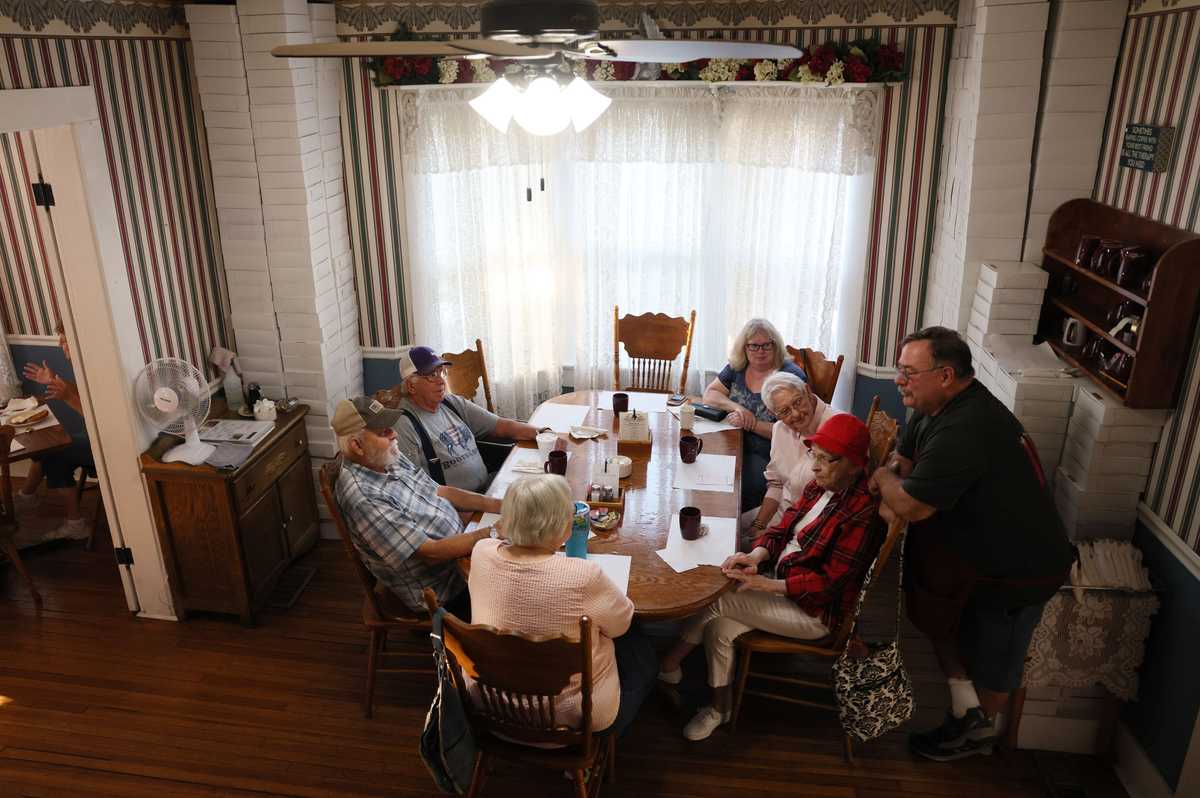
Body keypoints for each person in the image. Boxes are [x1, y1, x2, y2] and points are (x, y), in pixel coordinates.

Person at [869, 326, 1074, 762]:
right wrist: (895, 481)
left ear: (945, 375)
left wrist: (885, 480)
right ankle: (965, 710)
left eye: (908, 372)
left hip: (1021, 568)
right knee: (948, 630)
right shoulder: (929, 405)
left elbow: (910, 503)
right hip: (973, 554)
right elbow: (903, 460)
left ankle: (976, 732)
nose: (898, 381)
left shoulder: (967, 426)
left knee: (994, 658)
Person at [658, 414, 883, 741]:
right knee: (720, 628)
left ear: (852, 464)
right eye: (813, 455)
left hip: (814, 612)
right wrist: (756, 556)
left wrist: (768, 584)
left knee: (719, 595)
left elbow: (829, 584)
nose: (815, 466)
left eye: (824, 458)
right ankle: (720, 708)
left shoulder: (862, 512)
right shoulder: (819, 485)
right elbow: (781, 527)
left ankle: (667, 666)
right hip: (782, 582)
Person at [467, 474, 657, 738]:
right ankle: (598, 746)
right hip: (568, 716)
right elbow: (621, 625)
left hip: (491, 702)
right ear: (564, 526)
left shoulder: (481, 551)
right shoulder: (583, 575)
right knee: (642, 655)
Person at [332, 395, 502, 615]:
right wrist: (496, 531)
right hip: (446, 589)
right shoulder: (364, 497)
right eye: (383, 431)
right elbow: (431, 553)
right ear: (357, 445)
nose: (394, 434)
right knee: (530, 589)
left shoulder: (383, 456)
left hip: (463, 552)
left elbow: (440, 491)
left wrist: (499, 505)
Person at [392, 345, 550, 492]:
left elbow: (501, 425)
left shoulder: (451, 403)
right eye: (432, 375)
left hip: (489, 486)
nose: (441, 381)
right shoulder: (404, 425)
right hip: (460, 508)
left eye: (441, 372)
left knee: (545, 487)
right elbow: (418, 490)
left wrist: (544, 434)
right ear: (411, 386)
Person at [702, 319, 806, 512]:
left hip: (770, 456)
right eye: (754, 346)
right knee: (704, 468)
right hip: (735, 443)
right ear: (745, 347)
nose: (760, 351)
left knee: (731, 485)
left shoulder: (789, 376)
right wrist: (738, 408)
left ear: (775, 345)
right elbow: (710, 395)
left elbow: (796, 431)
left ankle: (736, 529)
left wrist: (752, 423)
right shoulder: (738, 366)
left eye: (766, 345)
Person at [14, 322, 94, 541]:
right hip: (94, 437)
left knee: (55, 453)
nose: (60, 343)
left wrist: (67, 397)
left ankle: (75, 524)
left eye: (64, 339)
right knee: (49, 447)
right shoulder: (88, 365)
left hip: (105, 444)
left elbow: (100, 421)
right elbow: (85, 396)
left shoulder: (97, 369)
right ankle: (27, 496)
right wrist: (54, 381)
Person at [742, 371, 839, 541]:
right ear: (774, 414)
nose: (795, 414)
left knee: (734, 552)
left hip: (813, 527)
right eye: (785, 411)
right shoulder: (780, 429)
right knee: (727, 530)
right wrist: (759, 524)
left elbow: (831, 504)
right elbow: (776, 485)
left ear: (807, 391)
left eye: (798, 402)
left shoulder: (836, 427)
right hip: (782, 512)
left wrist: (771, 534)